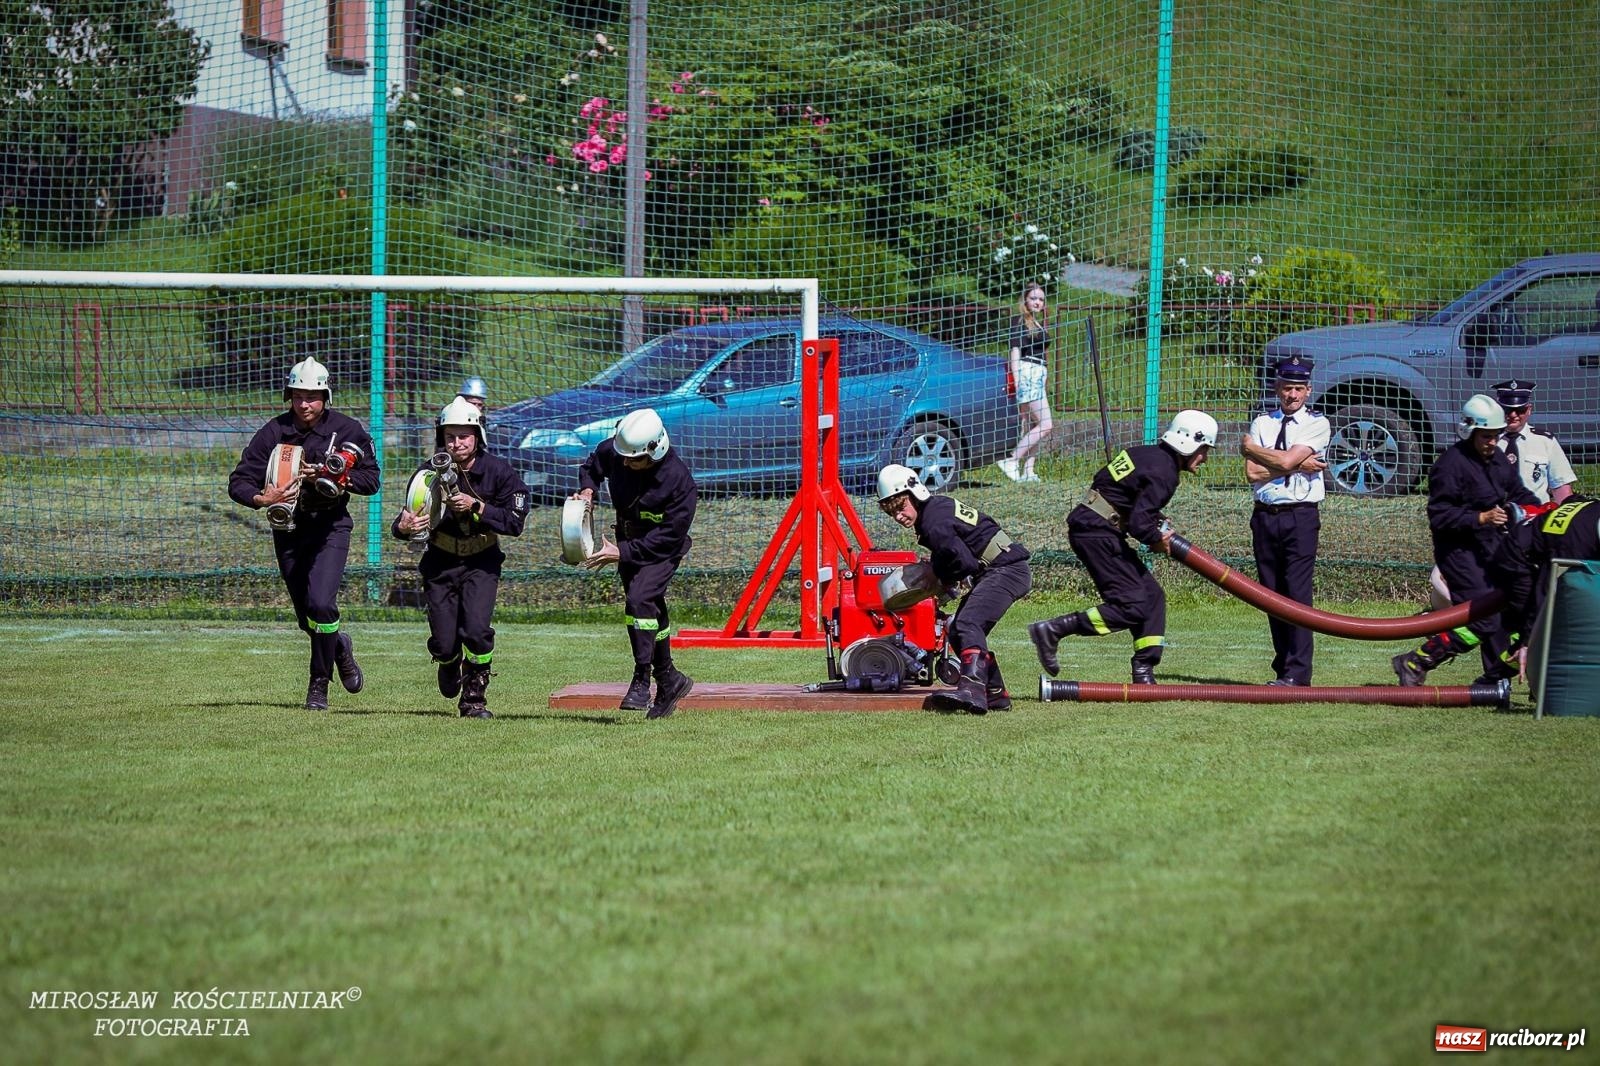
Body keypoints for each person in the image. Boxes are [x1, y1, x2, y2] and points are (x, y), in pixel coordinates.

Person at [228, 356, 379, 710]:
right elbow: (238, 481)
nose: (305, 403)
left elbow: (371, 480)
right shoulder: (274, 432)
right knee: (307, 618)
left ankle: (318, 685)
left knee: (321, 603)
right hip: (289, 530)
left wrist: (338, 479)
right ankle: (340, 646)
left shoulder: (348, 430)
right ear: (289, 396)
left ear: (326, 396)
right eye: (298, 396)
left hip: (330, 528)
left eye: (312, 396)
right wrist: (262, 497)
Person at [1029, 409, 1218, 685]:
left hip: (1093, 528)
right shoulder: (1166, 474)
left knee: (1152, 597)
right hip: (1096, 534)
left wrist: (1149, 518)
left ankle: (1144, 671)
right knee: (1132, 606)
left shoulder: (1143, 454)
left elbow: (1107, 483)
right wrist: (1158, 538)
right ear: (1189, 442)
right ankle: (1055, 629)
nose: (1205, 458)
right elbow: (1141, 525)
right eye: (1204, 449)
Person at [393, 398, 530, 719]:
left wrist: (477, 506)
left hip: (482, 562)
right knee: (444, 641)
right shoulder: (428, 471)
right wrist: (403, 526)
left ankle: (474, 699)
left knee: (477, 630)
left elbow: (515, 522)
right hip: (440, 563)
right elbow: (406, 519)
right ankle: (447, 660)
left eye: (464, 436)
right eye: (450, 437)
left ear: (478, 435)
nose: (457, 443)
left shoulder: (499, 471)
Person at [1391, 395, 1539, 687]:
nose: (1492, 442)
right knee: (1484, 620)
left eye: (1496, 436)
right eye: (1486, 436)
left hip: (1493, 548)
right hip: (1459, 553)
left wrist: (1539, 511)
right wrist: (1480, 519)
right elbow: (1439, 516)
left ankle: (1495, 681)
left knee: (1509, 612)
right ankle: (1416, 660)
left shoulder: (1496, 459)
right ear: (1469, 430)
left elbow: (1518, 493)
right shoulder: (1450, 465)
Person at [876, 464, 1033, 713]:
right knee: (957, 628)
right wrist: (939, 566)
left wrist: (937, 574)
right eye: (891, 512)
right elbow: (959, 554)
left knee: (968, 622)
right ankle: (995, 695)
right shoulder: (935, 511)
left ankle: (972, 689)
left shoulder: (933, 523)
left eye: (901, 507)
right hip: (1000, 569)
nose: (898, 516)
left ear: (916, 494)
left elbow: (963, 562)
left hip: (1006, 570)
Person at [574, 408, 698, 719]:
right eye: (623, 457)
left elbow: (670, 537)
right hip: (626, 541)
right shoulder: (618, 451)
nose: (626, 463)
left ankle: (642, 678)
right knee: (644, 610)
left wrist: (622, 552)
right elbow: (592, 466)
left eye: (634, 459)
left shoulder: (679, 482)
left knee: (640, 598)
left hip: (661, 549)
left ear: (656, 449)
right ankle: (669, 679)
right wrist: (588, 489)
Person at [1240, 354, 1330, 686]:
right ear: (1277, 389)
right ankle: (1282, 668)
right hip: (1265, 517)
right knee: (1272, 595)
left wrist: (1257, 452)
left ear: (1308, 390)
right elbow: (1251, 473)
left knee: (1297, 593)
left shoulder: (1317, 423)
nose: (1291, 395)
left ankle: (1298, 672)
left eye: (1297, 389)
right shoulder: (1262, 422)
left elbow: (1268, 459)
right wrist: (1295, 463)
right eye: (1286, 388)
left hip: (1300, 516)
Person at [997, 283, 1053, 483]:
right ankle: (1011, 460)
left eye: (1041, 299)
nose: (1038, 302)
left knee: (1033, 424)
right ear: (1025, 299)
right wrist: (1018, 379)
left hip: (1037, 374)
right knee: (1046, 424)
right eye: (1034, 298)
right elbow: (1015, 351)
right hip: (1027, 373)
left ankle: (1028, 471)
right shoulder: (1019, 321)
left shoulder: (1036, 322)